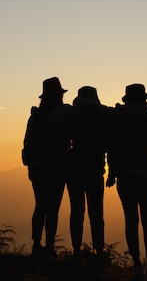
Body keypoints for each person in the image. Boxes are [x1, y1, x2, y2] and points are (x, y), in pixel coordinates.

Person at [107, 84, 147, 281]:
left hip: (126, 176)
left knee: (131, 221)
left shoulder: (118, 118)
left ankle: (137, 265)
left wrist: (112, 172)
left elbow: (112, 148)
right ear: (143, 99)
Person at [22, 77, 74, 256]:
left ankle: (36, 244)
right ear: (59, 95)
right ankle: (49, 246)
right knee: (53, 209)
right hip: (57, 165)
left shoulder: (35, 118)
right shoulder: (65, 112)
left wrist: (29, 164)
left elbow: (27, 143)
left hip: (37, 167)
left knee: (40, 206)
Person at [67, 86, 108, 257]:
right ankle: (98, 250)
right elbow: (109, 144)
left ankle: (76, 249)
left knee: (77, 211)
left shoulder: (71, 116)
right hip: (95, 170)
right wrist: (112, 171)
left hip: (74, 169)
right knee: (96, 213)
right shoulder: (102, 118)